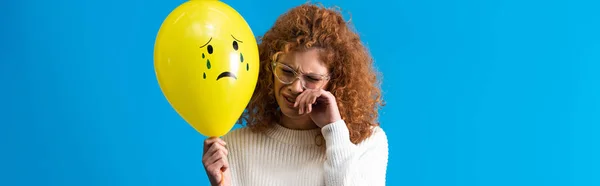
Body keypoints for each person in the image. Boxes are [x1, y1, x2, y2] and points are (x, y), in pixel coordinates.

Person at [202, 3, 388, 186]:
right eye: (287, 71)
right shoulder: (233, 147)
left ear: (335, 81)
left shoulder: (367, 143)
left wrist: (334, 130)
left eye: (312, 78)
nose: (296, 87)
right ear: (269, 68)